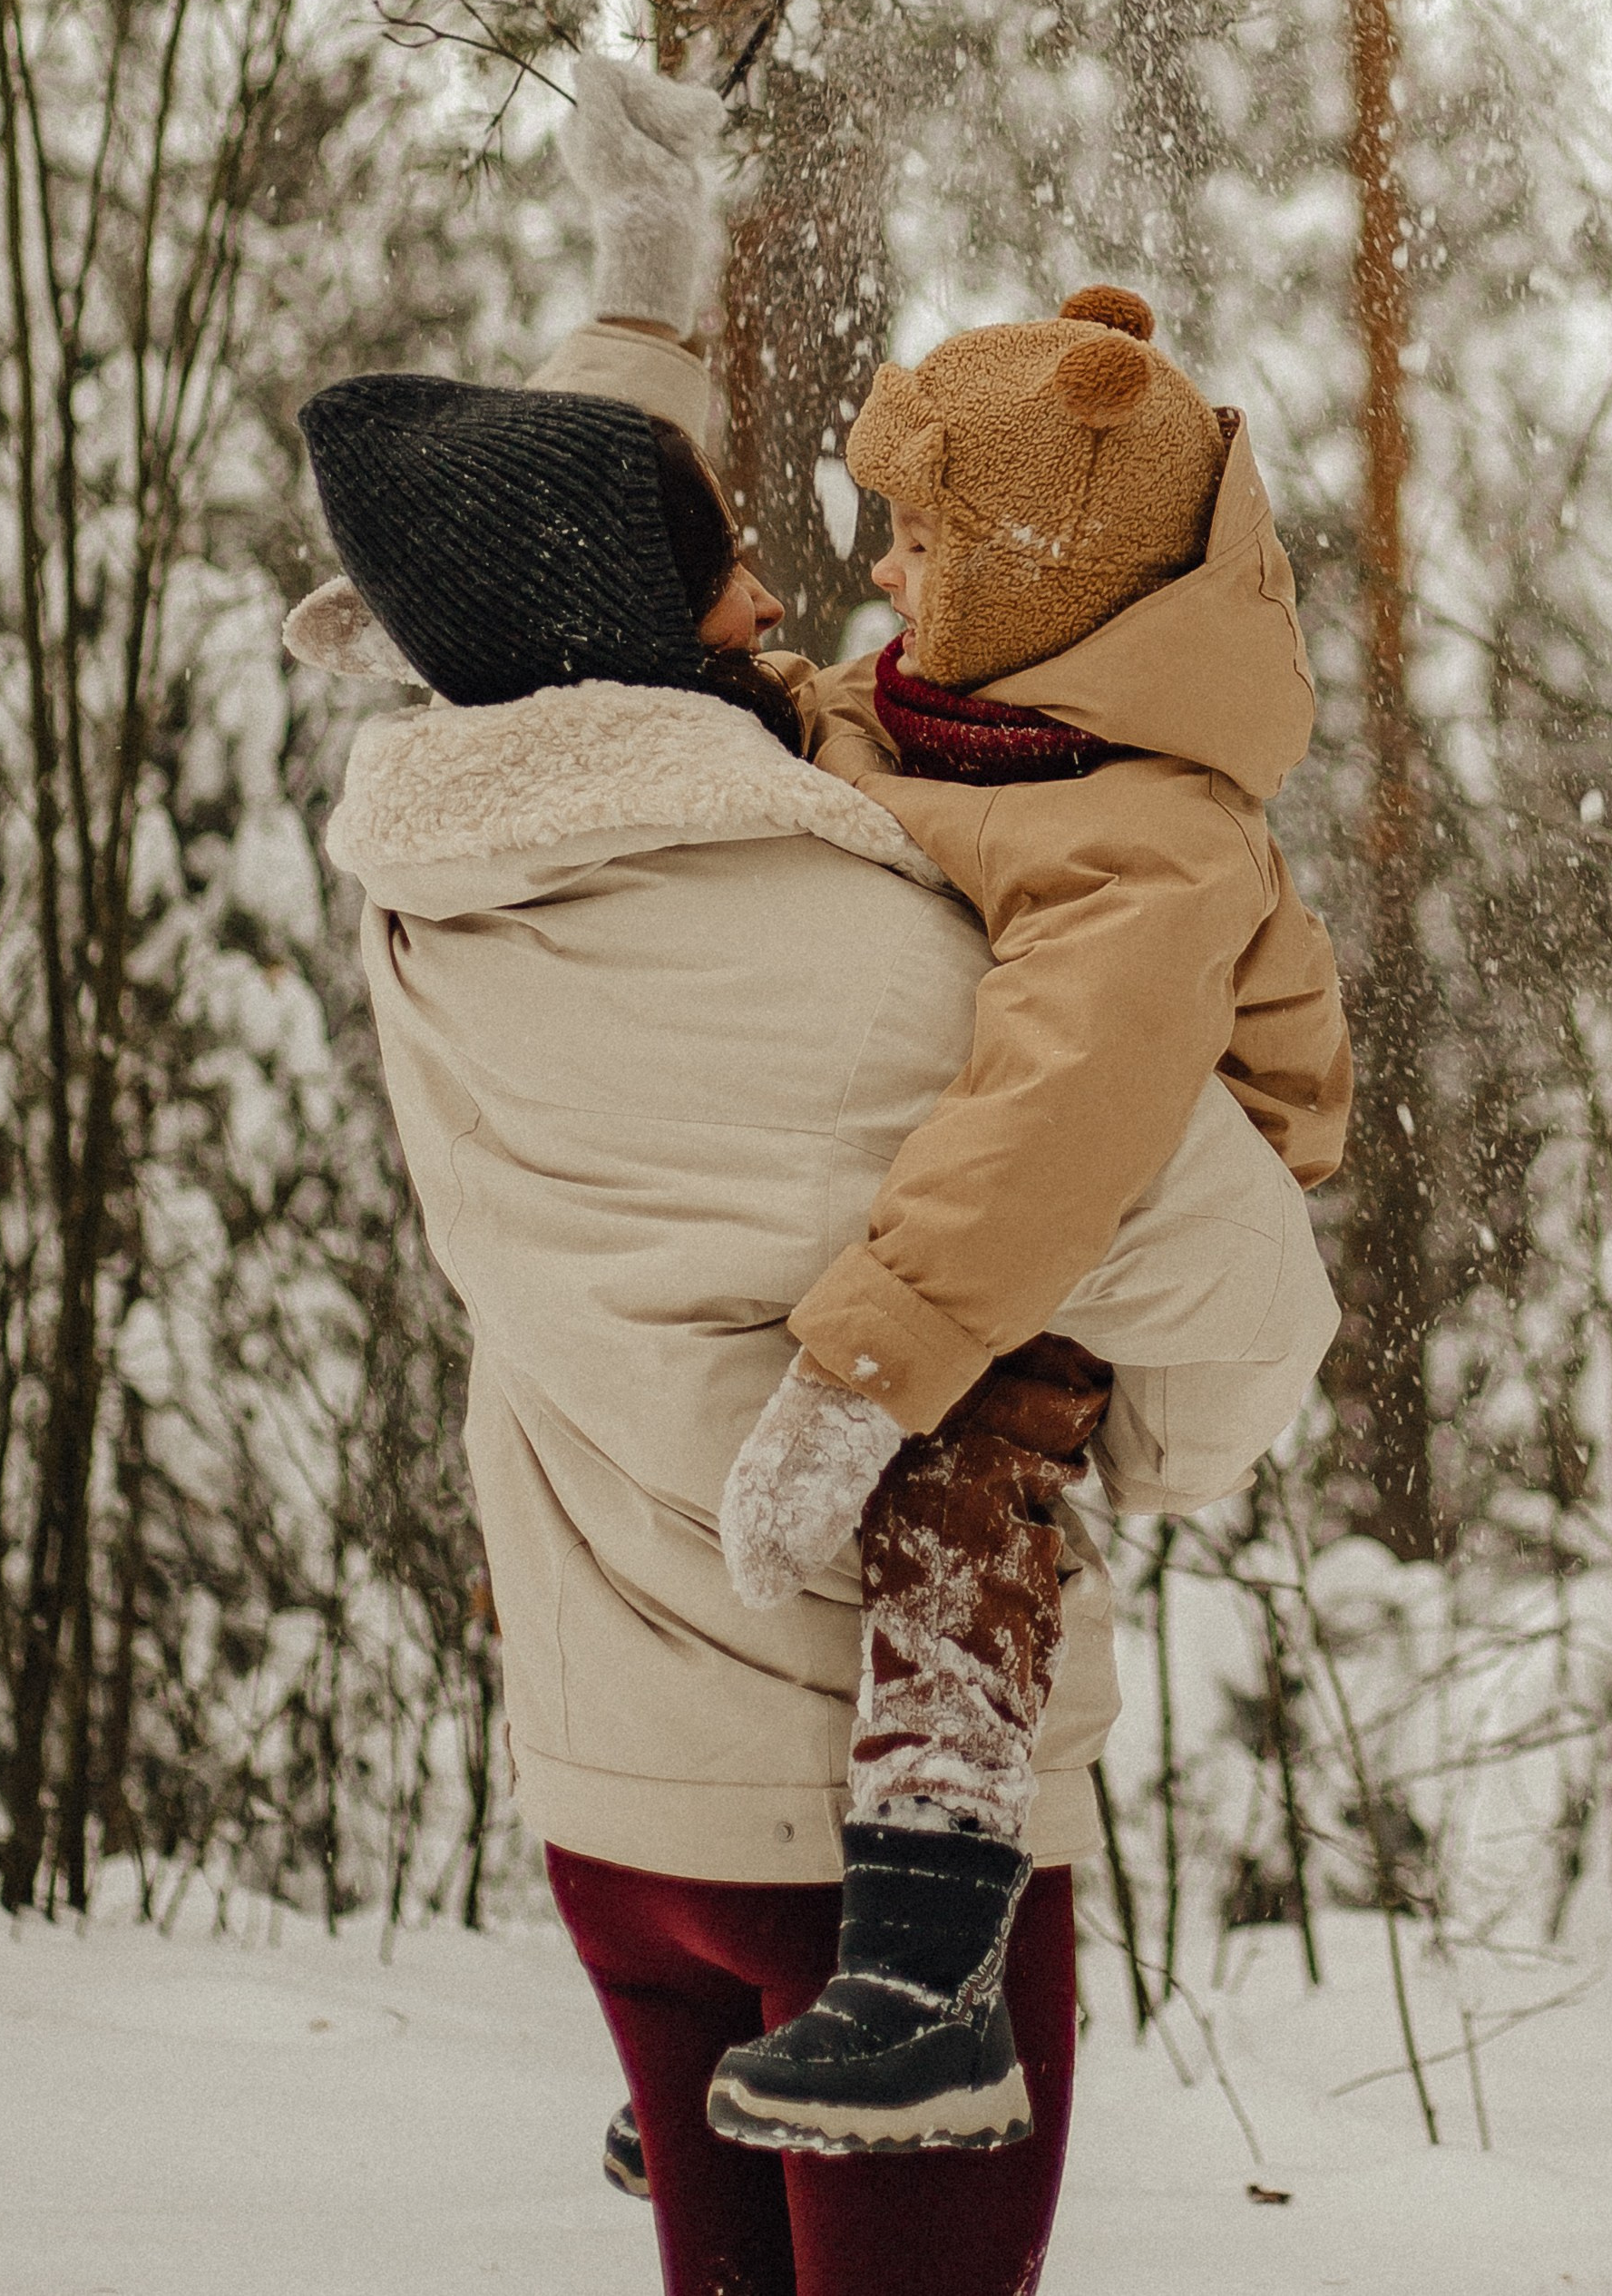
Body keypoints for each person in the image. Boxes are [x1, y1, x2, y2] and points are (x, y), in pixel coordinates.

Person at [286, 371, 1338, 2296]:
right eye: (729, 573)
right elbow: (1242, 1285)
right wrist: (1157, 1452)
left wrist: (636, 275)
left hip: (614, 1811)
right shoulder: (887, 953)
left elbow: (540, 587)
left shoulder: (428, 893)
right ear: (630, 617)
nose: (783, 600)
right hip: (870, 1832)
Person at [707, 285, 1350, 2154]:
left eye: (922, 540)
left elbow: (1068, 1115)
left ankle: (920, 1979)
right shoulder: (968, 703)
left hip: (1148, 1196)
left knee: (950, 1476)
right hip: (1020, 1164)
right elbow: (815, 735)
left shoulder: (1150, 825)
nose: (887, 577)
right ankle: (746, 1991)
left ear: (1047, 571)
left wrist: (863, 1371)